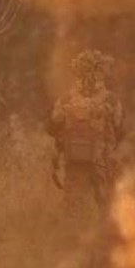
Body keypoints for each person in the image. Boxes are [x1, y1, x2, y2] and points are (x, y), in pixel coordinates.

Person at [46, 49, 125, 212]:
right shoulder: (111, 100)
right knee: (107, 209)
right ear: (102, 72)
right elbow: (119, 130)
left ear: (76, 72)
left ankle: (71, 235)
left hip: (74, 159)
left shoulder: (66, 99)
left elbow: (52, 127)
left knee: (73, 208)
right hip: (103, 160)